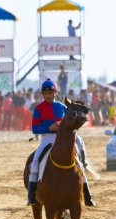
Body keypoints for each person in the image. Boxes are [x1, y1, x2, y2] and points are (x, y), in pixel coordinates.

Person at [27, 78, 95, 207]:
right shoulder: (38, 109)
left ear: (55, 93)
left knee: (78, 163)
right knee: (35, 161)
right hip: (47, 139)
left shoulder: (62, 107)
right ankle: (31, 196)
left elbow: (73, 119)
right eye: (45, 93)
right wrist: (49, 128)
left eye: (50, 93)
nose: (47, 96)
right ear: (43, 94)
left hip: (63, 139)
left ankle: (87, 195)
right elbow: (35, 129)